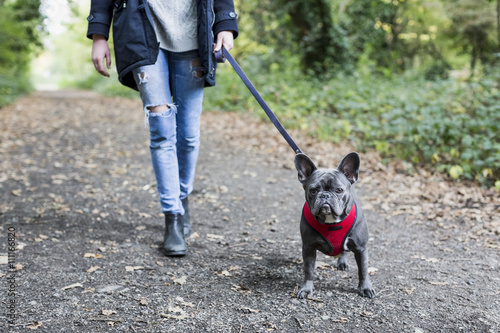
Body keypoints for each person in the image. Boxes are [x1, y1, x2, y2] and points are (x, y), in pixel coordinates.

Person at [86, 0, 238, 256]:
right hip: (142, 33)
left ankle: (182, 196)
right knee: (162, 131)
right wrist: (99, 34)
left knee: (188, 136)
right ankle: (173, 218)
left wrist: (225, 23)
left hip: (193, 38)